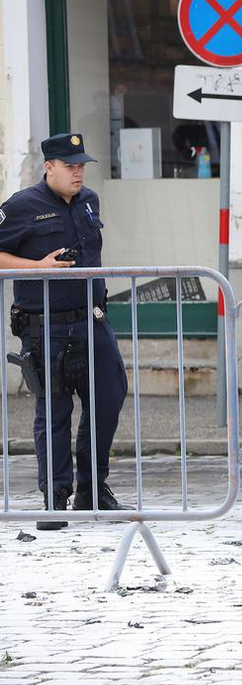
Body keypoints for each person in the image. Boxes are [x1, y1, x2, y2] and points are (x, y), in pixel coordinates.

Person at [0, 134, 129, 530]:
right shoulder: (22, 206)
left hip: (92, 318)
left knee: (108, 399)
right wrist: (35, 265)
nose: (78, 172)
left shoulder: (89, 200)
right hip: (46, 328)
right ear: (49, 167)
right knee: (54, 410)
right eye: (70, 165)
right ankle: (55, 497)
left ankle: (93, 488)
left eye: (81, 165)